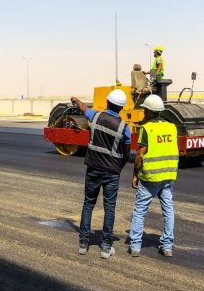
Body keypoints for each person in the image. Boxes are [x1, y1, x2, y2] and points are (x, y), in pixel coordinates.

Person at [71, 89, 131, 259]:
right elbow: (126, 153)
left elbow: (83, 108)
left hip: (93, 168)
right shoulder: (124, 128)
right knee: (109, 208)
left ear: (107, 102)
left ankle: (83, 243)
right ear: (122, 108)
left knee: (88, 204)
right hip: (112, 171)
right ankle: (105, 247)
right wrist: (119, 166)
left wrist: (76, 99)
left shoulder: (95, 116)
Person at [129, 94, 179, 257]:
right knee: (168, 210)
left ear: (150, 111)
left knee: (139, 211)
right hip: (169, 175)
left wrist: (135, 175)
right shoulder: (171, 127)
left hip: (150, 177)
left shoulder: (146, 129)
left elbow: (139, 156)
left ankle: (135, 246)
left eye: (145, 110)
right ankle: (167, 246)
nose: (143, 113)